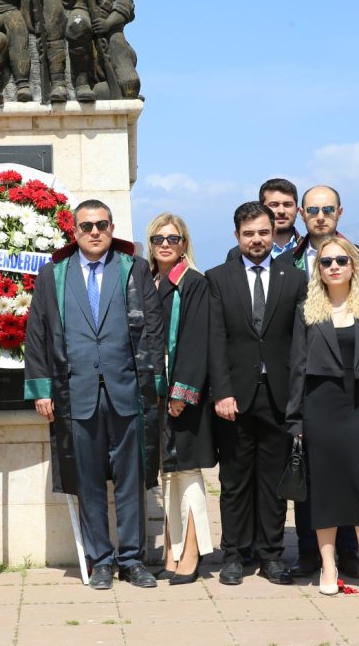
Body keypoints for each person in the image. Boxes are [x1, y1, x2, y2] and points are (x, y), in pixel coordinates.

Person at [24, 199, 165, 590]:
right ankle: (100, 559)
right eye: (86, 226)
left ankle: (133, 559)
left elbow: (152, 329)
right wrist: (41, 389)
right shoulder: (54, 274)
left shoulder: (132, 269)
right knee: (87, 479)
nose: (94, 232)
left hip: (127, 391)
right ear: (75, 231)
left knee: (130, 479)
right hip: (76, 392)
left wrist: (153, 383)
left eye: (102, 224)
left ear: (112, 226)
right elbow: (37, 333)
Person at [285, 236, 359, 599]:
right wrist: (295, 419)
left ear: (353, 266)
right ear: (318, 268)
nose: (334, 267)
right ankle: (328, 567)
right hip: (319, 409)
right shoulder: (307, 310)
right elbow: (297, 369)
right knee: (326, 492)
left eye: (341, 261)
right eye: (326, 262)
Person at [207, 201, 307, 586]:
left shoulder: (294, 278)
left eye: (263, 232)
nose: (257, 239)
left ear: (273, 233)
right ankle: (234, 555)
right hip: (235, 397)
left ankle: (271, 555)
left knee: (273, 483)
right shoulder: (219, 278)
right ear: (237, 236)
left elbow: (299, 342)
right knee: (234, 482)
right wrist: (222, 392)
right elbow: (215, 340)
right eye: (249, 233)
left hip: (279, 396)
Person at [145, 213, 215, 585]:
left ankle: (192, 552)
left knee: (187, 473)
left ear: (184, 243)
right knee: (167, 474)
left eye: (174, 238)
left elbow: (195, 339)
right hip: (154, 390)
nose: (166, 244)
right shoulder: (150, 281)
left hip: (183, 391)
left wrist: (181, 392)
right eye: (159, 238)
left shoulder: (194, 283)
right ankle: (172, 552)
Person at [225, 178, 302, 262]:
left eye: (287, 205)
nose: (281, 211)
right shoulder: (237, 254)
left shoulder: (310, 250)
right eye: (274, 205)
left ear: (297, 210)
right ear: (262, 209)